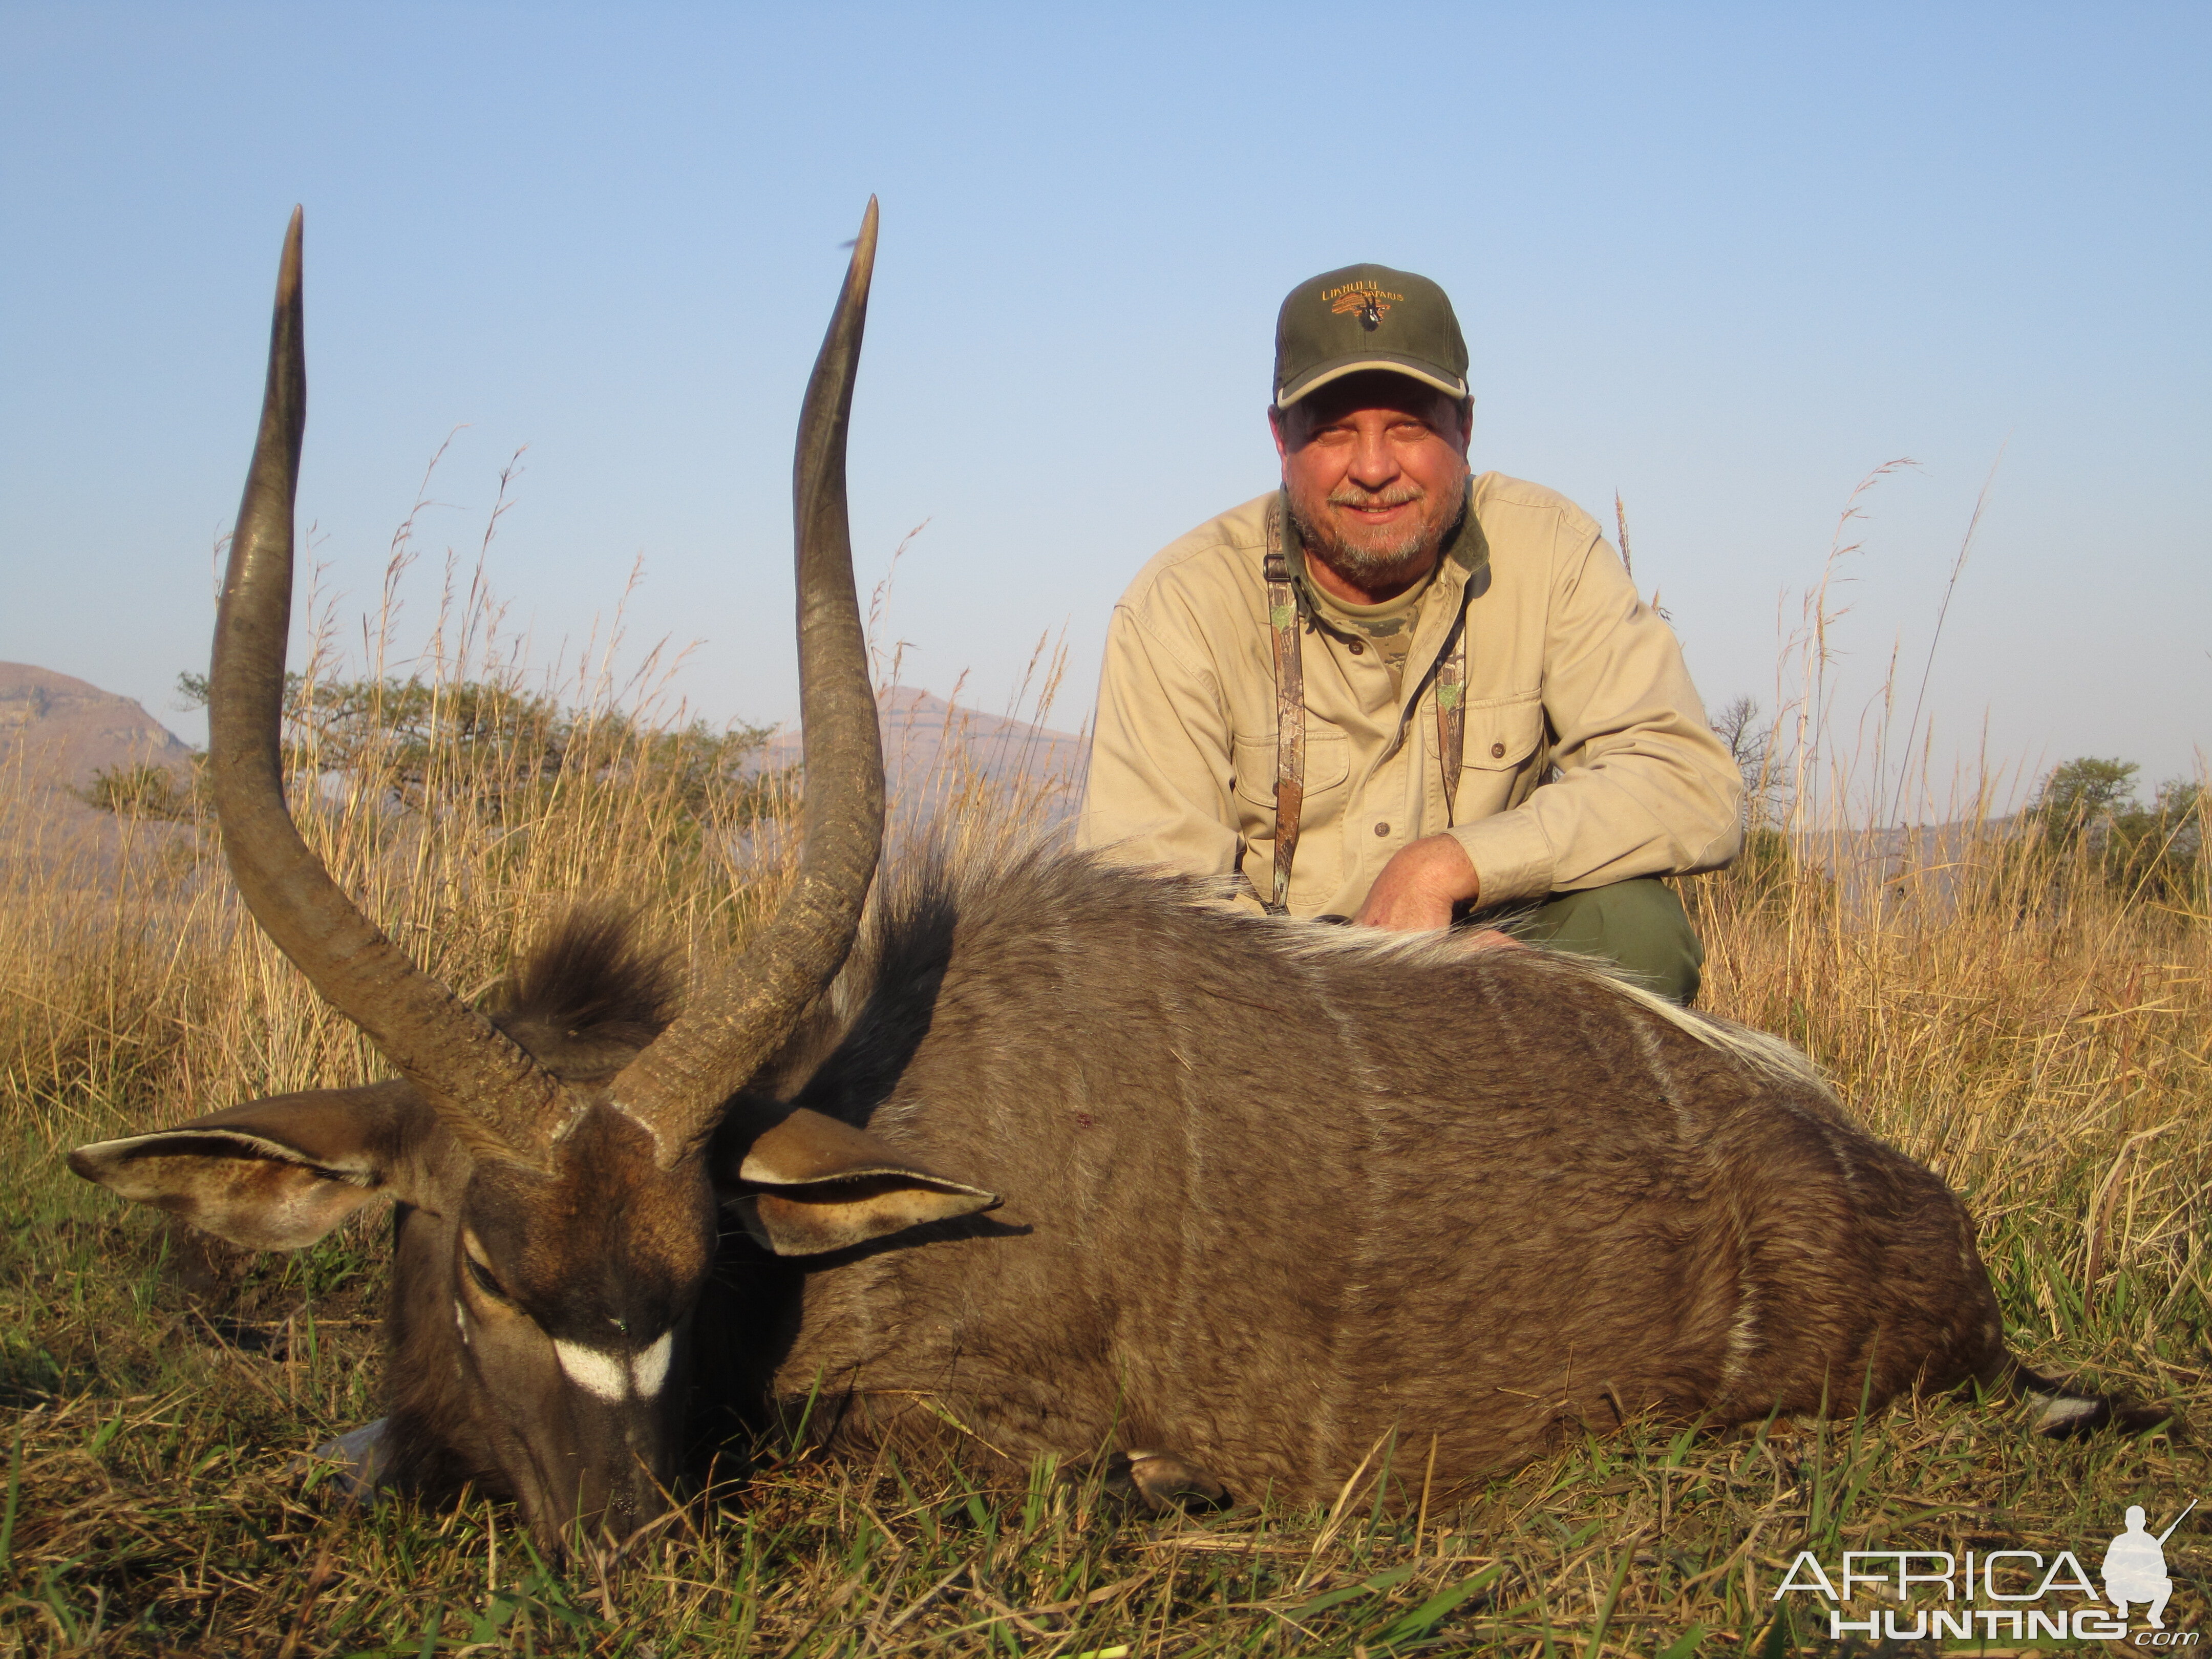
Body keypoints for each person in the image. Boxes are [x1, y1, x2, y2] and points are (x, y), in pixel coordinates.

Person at [1075, 262, 1743, 1003]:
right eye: (1332, 431)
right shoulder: (1181, 606)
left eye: (1407, 426)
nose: (1372, 467)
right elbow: (1145, 923)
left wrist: (1443, 867)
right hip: (1278, 1021)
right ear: (1279, 439)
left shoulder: (1551, 552)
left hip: (1483, 978)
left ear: (1465, 426)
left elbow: (1690, 783)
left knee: (1635, 928)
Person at [2101, 1505, 2174, 1629]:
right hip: (2123, 1587)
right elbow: (2106, 1570)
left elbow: (2162, 1570)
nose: (2134, 1524)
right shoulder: (2119, 1541)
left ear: (2144, 1523)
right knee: (2110, 1584)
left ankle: (2155, 1614)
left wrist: (2148, 1573)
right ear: (2126, 1522)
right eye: (2132, 1521)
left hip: (2145, 1587)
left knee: (2167, 1584)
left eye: (2138, 1521)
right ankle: (2122, 1607)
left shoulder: (2151, 1542)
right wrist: (2123, 1572)